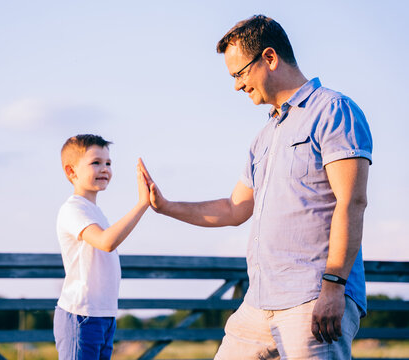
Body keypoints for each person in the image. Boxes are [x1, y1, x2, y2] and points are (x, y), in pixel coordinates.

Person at [139, 14, 372, 359]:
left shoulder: (334, 111)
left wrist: (334, 286)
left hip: (312, 296)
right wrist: (167, 205)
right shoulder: (263, 138)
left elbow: (351, 202)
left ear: (270, 58)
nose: (235, 85)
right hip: (259, 302)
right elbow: (234, 209)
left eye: (239, 73)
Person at [54, 134, 150, 359]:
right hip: (81, 316)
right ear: (71, 171)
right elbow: (106, 242)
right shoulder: (73, 209)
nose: (104, 168)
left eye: (108, 163)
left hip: (104, 316)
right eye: (95, 162)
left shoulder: (95, 211)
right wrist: (142, 204)